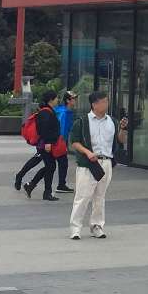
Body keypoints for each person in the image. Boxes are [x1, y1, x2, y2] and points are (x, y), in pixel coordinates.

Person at [68, 91, 129, 240]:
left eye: (107, 101)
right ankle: (75, 228)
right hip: (88, 163)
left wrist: (123, 129)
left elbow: (121, 141)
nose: (106, 104)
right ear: (94, 104)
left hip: (106, 162)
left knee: (100, 197)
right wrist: (87, 152)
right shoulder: (82, 122)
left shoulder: (112, 122)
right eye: (103, 102)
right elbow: (74, 142)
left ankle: (97, 226)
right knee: (83, 196)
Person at [22, 90, 62, 201]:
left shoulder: (48, 111)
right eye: (56, 98)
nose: (57, 100)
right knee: (51, 166)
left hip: (47, 144)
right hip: (45, 145)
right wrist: (48, 142)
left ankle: (33, 186)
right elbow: (43, 129)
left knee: (50, 167)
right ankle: (44, 191)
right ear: (51, 100)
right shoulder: (45, 113)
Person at [53, 91, 77, 193]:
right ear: (68, 100)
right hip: (59, 141)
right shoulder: (65, 113)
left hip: (57, 140)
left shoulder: (62, 110)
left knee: (54, 163)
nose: (75, 101)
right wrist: (63, 143)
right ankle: (61, 185)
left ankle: (61, 184)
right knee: (60, 163)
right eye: (73, 99)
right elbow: (63, 128)